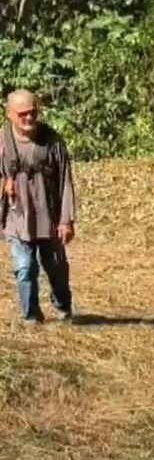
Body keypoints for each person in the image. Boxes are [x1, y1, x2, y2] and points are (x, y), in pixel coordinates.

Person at [0, 90, 76, 325]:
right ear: (10, 114)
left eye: (33, 112)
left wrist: (66, 220)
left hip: (48, 218)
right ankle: (31, 315)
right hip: (16, 217)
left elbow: (65, 181)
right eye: (23, 113)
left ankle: (62, 306)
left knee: (57, 269)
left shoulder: (52, 141)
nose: (29, 118)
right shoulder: (2, 141)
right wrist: (4, 183)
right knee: (24, 268)